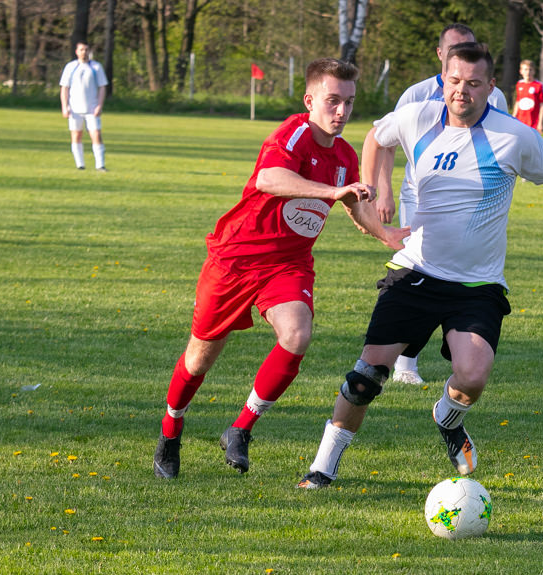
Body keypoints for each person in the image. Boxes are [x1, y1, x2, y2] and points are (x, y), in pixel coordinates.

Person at [297, 43, 543, 489]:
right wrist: (378, 187)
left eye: (473, 83)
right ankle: (322, 467)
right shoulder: (417, 116)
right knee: (365, 378)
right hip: (415, 272)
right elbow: (377, 138)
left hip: (477, 285)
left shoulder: (514, 137)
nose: (461, 91)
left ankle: (447, 416)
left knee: (474, 376)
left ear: (491, 86)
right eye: (454, 81)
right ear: (443, 77)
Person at [153, 58, 409, 479]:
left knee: (297, 333)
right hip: (235, 259)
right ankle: (170, 432)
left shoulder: (344, 155)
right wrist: (333, 189)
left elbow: (354, 203)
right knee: (199, 359)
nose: (341, 112)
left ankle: (240, 429)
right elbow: (269, 178)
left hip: (288, 265)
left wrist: (386, 235)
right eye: (332, 101)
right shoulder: (293, 133)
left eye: (348, 103)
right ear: (310, 100)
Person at [375, 23, 508, 385]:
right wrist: (382, 189)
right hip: (418, 198)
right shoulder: (416, 95)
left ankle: (453, 356)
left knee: (454, 273)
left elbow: (504, 149)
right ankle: (405, 364)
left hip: (470, 204)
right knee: (421, 273)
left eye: (469, 47)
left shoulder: (493, 97)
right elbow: (384, 139)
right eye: (454, 50)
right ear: (440, 55)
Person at [59, 42, 109, 171]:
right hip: (75, 109)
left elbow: (102, 87)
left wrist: (99, 105)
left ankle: (100, 165)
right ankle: (80, 165)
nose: (84, 52)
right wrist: (65, 107)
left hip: (91, 109)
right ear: (76, 51)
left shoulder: (96, 67)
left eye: (86, 50)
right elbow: (64, 88)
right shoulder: (71, 67)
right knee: (76, 135)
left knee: (96, 134)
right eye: (81, 50)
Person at [512, 59, 543, 132]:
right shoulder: (519, 84)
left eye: (530, 70)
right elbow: (518, 102)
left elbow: (542, 105)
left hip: (533, 122)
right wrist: (513, 117)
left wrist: (540, 122)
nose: (528, 72)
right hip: (520, 120)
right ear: (521, 71)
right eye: (525, 69)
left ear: (534, 71)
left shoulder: (539, 85)